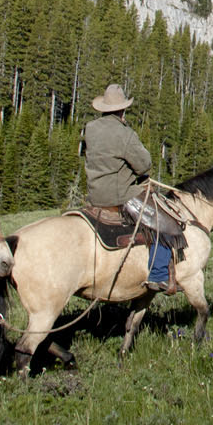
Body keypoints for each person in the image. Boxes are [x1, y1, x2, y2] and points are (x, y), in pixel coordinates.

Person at [81, 84, 178, 292]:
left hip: (94, 193)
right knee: (163, 222)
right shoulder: (125, 134)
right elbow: (144, 165)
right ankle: (158, 274)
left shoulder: (90, 128)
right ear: (122, 110)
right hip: (120, 195)